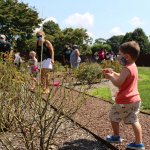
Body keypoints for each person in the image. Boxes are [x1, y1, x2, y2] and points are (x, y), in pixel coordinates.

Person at [102, 41, 145, 150]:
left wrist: (110, 77)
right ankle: (139, 143)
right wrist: (114, 73)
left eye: (120, 54)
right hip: (135, 99)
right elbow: (124, 77)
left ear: (127, 56)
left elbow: (118, 83)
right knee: (134, 120)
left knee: (113, 116)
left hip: (124, 100)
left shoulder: (126, 68)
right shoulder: (133, 66)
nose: (118, 56)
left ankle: (116, 137)